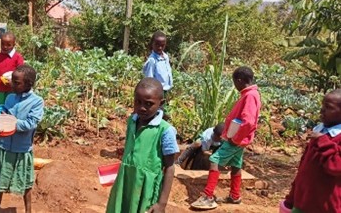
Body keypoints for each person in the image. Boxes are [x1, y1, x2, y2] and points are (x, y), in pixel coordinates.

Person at [191, 66, 261, 210]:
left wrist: (235, 139)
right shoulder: (250, 94)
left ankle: (208, 196)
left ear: (240, 80)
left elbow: (248, 122)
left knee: (214, 160)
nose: (235, 85)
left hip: (236, 140)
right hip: (240, 139)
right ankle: (235, 196)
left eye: (235, 81)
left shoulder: (250, 96)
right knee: (236, 164)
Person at [106, 78, 179, 213]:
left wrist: (161, 204)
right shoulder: (132, 121)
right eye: (137, 102)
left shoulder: (165, 131)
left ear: (161, 104)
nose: (142, 107)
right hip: (125, 181)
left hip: (146, 188)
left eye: (148, 104)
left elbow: (169, 167)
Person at [281, 89, 341, 213]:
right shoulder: (320, 131)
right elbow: (304, 169)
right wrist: (292, 197)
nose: (322, 110)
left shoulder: (332, 138)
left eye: (328, 107)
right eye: (323, 105)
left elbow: (336, 167)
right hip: (302, 203)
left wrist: (323, 142)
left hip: (325, 207)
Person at [0, 64, 44, 213]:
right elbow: (3, 112)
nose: (12, 84)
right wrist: (1, 117)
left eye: (17, 83)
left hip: (21, 149)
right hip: (4, 145)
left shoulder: (37, 102)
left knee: (26, 182)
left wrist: (12, 122)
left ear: (28, 84)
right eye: (12, 81)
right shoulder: (10, 98)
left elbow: (31, 123)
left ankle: (28, 210)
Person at [0, 32, 24, 105]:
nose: (5, 47)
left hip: (12, 89)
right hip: (0, 88)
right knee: (0, 106)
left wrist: (13, 81)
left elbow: (21, 71)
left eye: (8, 45)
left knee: (11, 106)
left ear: (13, 45)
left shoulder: (17, 57)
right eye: (3, 44)